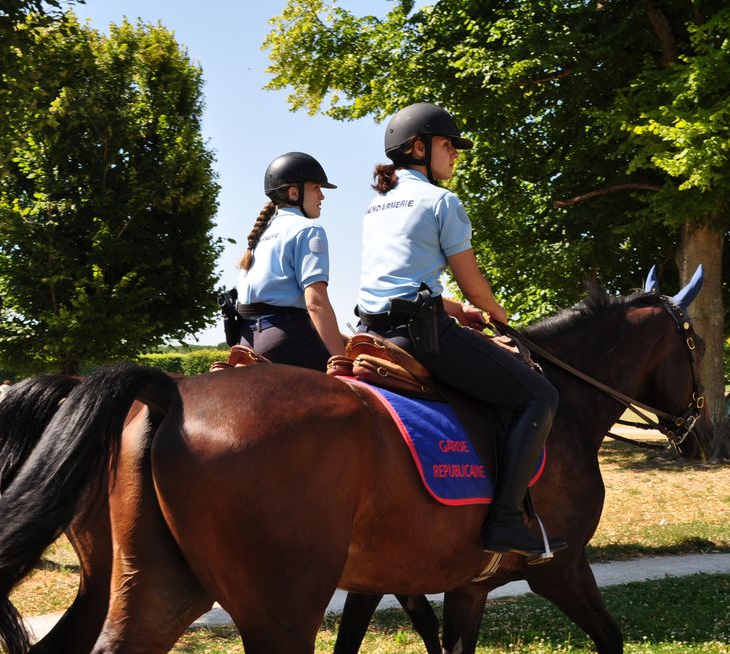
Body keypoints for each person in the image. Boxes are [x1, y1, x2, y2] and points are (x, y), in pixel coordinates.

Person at [356, 102, 565, 558]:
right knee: (540, 396)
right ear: (418, 147)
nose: (455, 155)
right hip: (422, 336)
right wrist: (497, 315)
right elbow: (473, 282)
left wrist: (456, 310)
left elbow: (397, 283)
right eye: (448, 145)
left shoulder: (376, 205)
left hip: (372, 331)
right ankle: (507, 520)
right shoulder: (442, 201)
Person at [236, 152, 345, 371]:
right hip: (285, 340)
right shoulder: (308, 229)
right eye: (316, 188)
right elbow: (315, 304)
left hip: (246, 343)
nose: (322, 196)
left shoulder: (260, 234)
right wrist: (343, 360)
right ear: (294, 192)